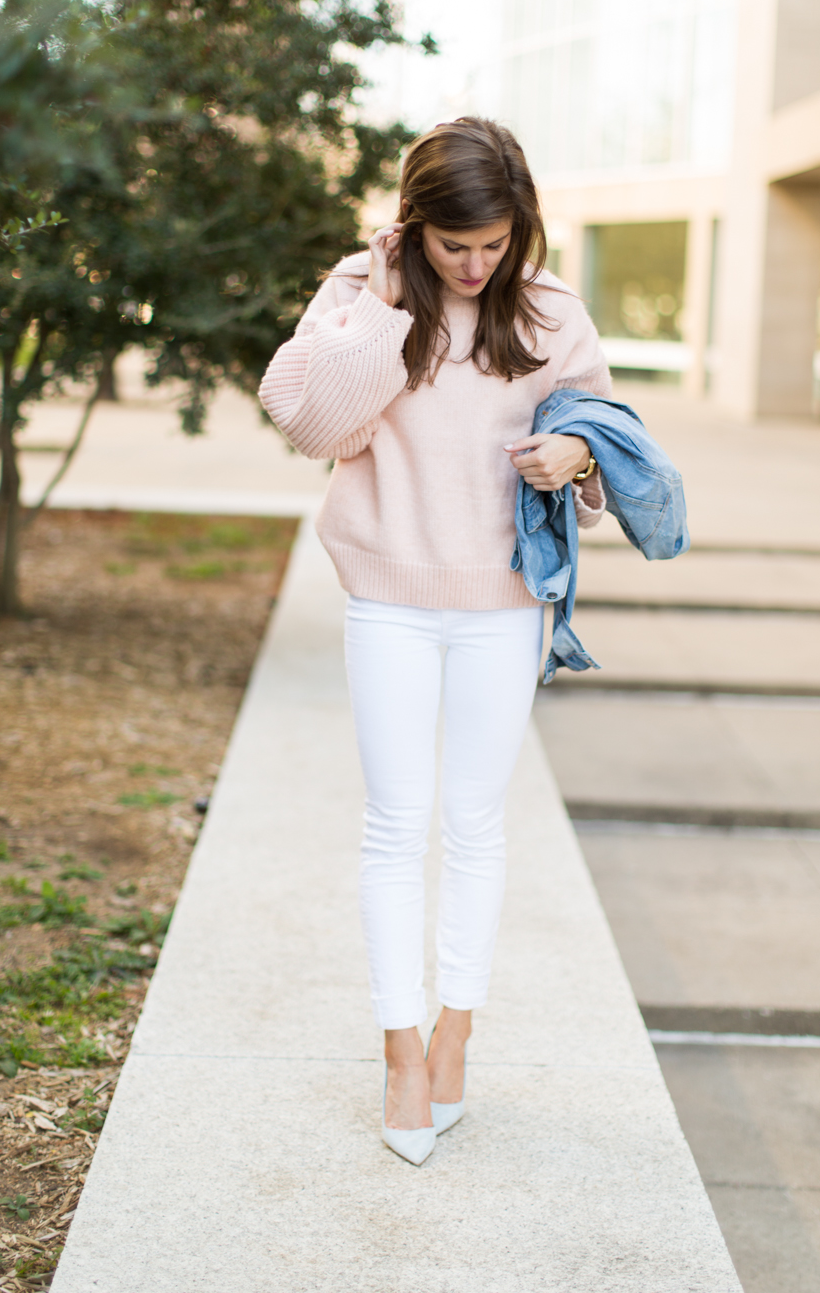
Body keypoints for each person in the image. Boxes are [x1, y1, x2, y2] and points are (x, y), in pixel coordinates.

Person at [259, 117, 612, 1164]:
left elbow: (609, 442)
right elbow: (318, 425)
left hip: (504, 602)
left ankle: (457, 1032)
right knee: (393, 822)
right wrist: (380, 307)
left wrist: (572, 453)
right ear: (415, 227)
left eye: (494, 246)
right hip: (389, 598)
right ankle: (400, 1049)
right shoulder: (361, 297)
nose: (474, 265)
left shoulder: (550, 312)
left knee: (473, 824)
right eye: (455, 245)